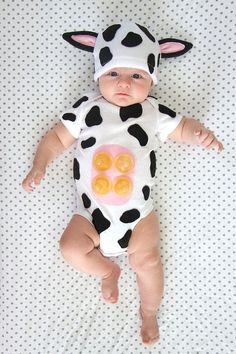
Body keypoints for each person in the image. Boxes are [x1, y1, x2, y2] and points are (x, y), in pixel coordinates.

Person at [22, 22, 223, 346]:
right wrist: (39, 164)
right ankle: (106, 271)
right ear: (99, 73)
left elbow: (183, 127)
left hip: (139, 215)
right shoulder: (87, 107)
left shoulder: (152, 110)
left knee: (148, 260)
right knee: (70, 248)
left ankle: (149, 311)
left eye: (137, 76)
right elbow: (56, 138)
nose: (124, 84)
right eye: (114, 74)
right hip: (90, 215)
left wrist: (200, 134)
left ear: (152, 79)